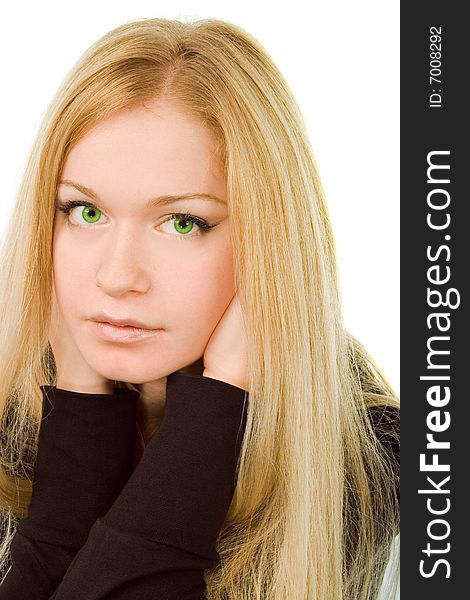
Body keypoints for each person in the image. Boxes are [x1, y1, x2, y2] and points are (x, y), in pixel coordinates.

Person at [0, 16, 399, 599]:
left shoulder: (392, 485)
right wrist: (79, 431)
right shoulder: (12, 429)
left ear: (271, 243)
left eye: (182, 222)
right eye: (85, 212)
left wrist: (213, 412)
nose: (115, 277)